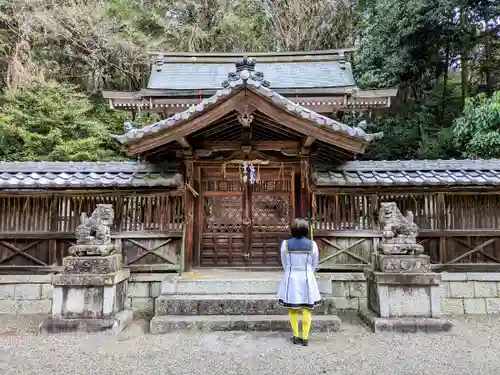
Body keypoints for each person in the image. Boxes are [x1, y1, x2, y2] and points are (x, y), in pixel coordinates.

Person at [277, 218, 321, 346]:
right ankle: (305, 337)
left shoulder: (285, 244)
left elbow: (284, 262)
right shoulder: (312, 245)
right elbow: (314, 262)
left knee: (293, 308)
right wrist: (309, 272)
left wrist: (289, 272)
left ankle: (295, 335)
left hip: (291, 277)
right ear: (306, 229)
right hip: (307, 277)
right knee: (307, 308)